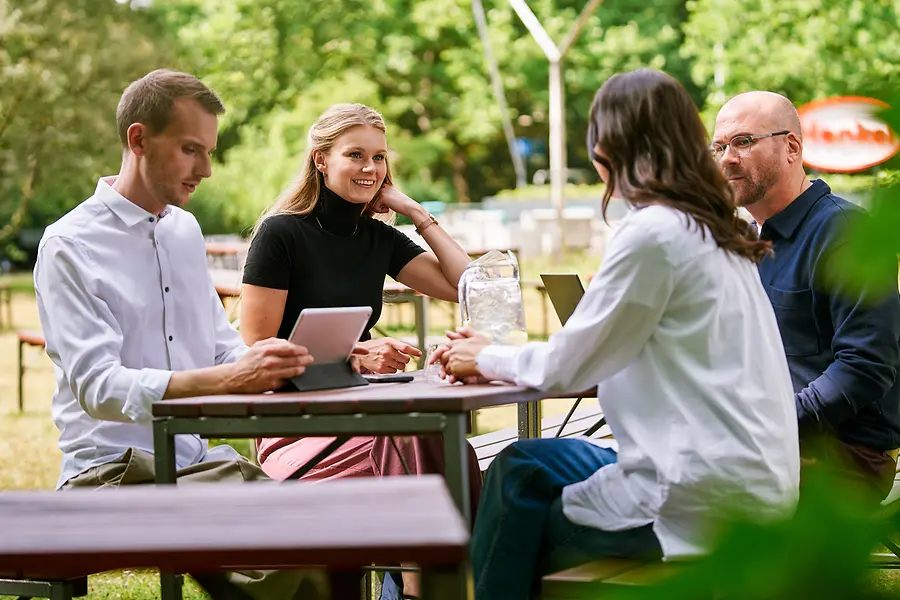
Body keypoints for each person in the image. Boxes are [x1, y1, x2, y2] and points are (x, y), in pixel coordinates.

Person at [434, 69, 801, 599]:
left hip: (702, 503)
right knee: (520, 466)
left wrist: (485, 355)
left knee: (521, 523)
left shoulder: (656, 233)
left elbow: (569, 366)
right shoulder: (718, 229)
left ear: (605, 147)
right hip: (748, 481)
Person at [34, 69, 319, 600]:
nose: (206, 169)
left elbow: (219, 343)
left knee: (321, 528)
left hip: (191, 464)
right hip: (111, 475)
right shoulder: (69, 246)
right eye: (192, 149)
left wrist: (285, 361)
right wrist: (230, 377)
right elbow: (100, 390)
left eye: (208, 151)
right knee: (286, 548)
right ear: (138, 139)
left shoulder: (183, 231)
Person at [239, 102, 481, 599]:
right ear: (321, 160)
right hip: (292, 426)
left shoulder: (378, 237)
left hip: (365, 415)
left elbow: (466, 286)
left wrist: (415, 213)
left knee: (441, 443)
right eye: (355, 155)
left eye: (379, 157)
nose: (370, 169)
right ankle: (421, 588)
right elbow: (257, 347)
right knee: (416, 441)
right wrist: (354, 354)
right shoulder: (281, 233)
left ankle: (418, 586)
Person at [713, 91, 900, 503]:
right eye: (720, 146)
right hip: (770, 439)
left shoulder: (845, 232)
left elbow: (865, 366)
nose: (727, 157)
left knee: (675, 493)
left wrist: (773, 426)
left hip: (846, 455)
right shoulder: (750, 240)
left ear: (791, 147)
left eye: (743, 142)